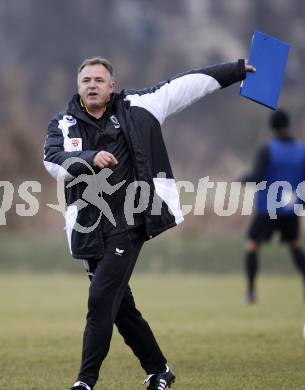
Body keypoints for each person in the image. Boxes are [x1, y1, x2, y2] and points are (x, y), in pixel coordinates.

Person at [43, 56, 255, 390]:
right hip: (88, 229)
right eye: (86, 80)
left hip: (131, 221)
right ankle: (160, 371)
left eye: (99, 80)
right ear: (78, 86)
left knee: (100, 299)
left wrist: (237, 70)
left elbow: (187, 84)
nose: (93, 85)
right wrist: (88, 158)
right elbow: (52, 160)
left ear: (112, 86)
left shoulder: (140, 106)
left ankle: (84, 382)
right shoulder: (64, 124)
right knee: (121, 307)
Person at [241, 109, 305, 304]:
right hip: (291, 207)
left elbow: (257, 176)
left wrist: (242, 178)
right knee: (294, 247)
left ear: (271, 127)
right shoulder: (302, 150)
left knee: (252, 246)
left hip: (267, 208)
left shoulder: (267, 149)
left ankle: (251, 293)